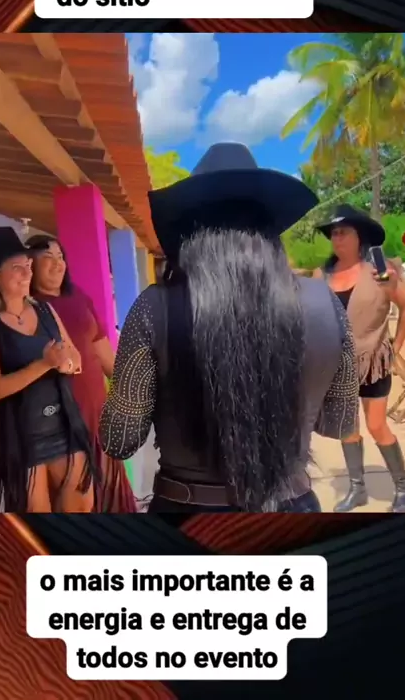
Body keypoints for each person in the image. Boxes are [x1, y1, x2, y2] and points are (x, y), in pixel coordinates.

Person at [99, 143, 360, 516]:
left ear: (189, 234)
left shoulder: (153, 309)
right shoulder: (326, 303)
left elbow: (119, 439)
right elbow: (339, 423)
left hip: (187, 514)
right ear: (270, 231)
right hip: (292, 508)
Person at [0, 227, 97, 513]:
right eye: (17, 268)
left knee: (82, 508)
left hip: (63, 426)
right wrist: (45, 364)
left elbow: (74, 357)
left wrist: (66, 363)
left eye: (28, 265)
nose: (27, 273)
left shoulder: (46, 311)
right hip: (20, 436)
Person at [25, 234, 137, 513]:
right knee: (76, 498)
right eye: (47, 258)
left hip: (97, 413)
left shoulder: (79, 297)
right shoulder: (25, 308)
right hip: (58, 420)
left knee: (109, 492)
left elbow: (103, 354)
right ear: (30, 265)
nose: (57, 264)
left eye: (60, 257)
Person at [313, 204, 405, 513]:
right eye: (333, 234)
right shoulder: (322, 275)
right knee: (348, 427)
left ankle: (402, 489)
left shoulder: (379, 269)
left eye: (343, 232)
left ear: (360, 236)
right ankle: (357, 490)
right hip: (337, 364)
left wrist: (396, 346)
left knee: (377, 425)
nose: (337, 238)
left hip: (373, 363)